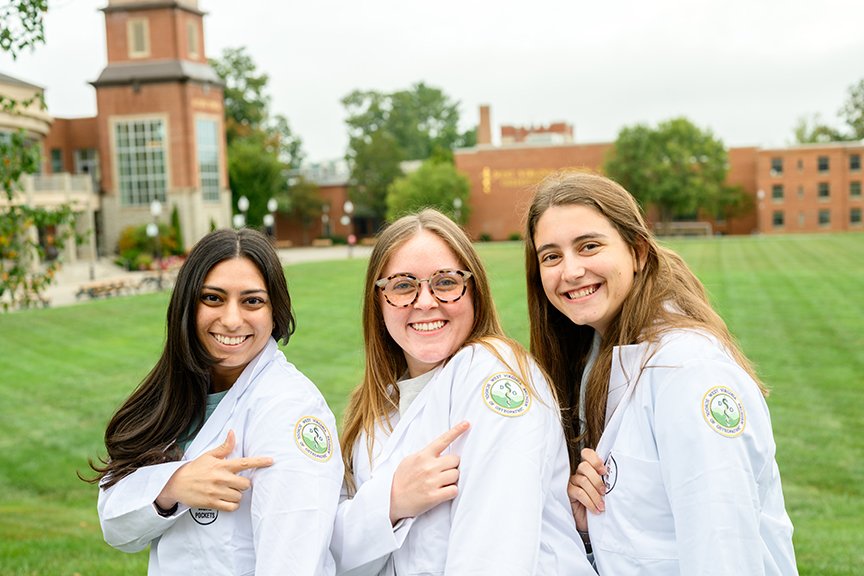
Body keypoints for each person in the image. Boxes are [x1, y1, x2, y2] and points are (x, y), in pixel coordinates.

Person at [523, 171, 798, 574]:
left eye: (589, 246)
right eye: (551, 256)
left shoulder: (688, 371)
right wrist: (589, 525)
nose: (571, 271)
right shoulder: (597, 358)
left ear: (637, 253)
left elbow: (722, 550)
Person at [330, 209, 595, 575]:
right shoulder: (372, 411)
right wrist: (391, 501)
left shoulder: (494, 374)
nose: (425, 302)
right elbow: (329, 552)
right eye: (403, 285)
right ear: (378, 301)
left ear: (474, 291)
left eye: (446, 282)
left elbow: (494, 554)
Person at [87, 228, 342, 575]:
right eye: (213, 298)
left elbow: (292, 561)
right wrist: (173, 486)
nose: (232, 320)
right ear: (187, 306)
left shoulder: (290, 409)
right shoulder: (175, 396)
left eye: (252, 301)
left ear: (275, 311)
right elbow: (116, 527)